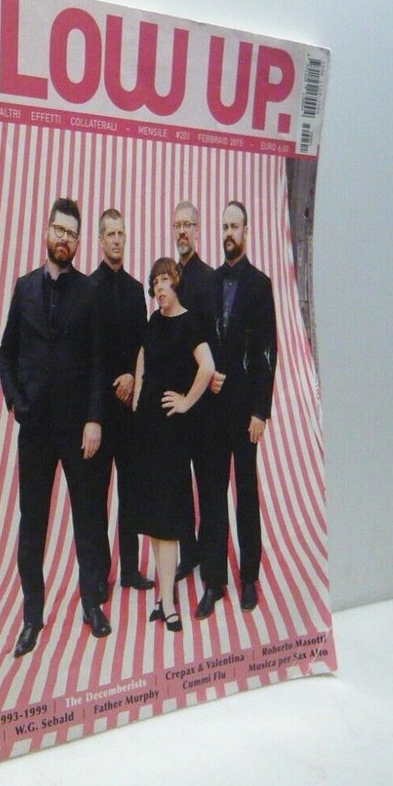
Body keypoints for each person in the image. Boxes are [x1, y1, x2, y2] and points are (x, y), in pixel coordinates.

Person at [0, 197, 110, 658]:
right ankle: (32, 616)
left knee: (88, 519)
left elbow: (100, 361)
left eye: (72, 234)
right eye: (59, 230)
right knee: (32, 524)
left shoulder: (89, 292)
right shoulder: (24, 288)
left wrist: (95, 419)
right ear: (47, 231)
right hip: (36, 430)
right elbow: (6, 353)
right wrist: (15, 401)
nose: (64, 239)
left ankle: (92, 604)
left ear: (79, 242)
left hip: (78, 428)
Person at [194, 201, 278, 618]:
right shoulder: (209, 283)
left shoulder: (261, 285)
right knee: (211, 497)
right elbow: (200, 342)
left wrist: (261, 412)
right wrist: (206, 374)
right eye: (224, 226)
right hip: (212, 412)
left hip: (246, 414)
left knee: (246, 495)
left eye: (235, 226)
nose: (228, 233)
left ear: (246, 231)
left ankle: (248, 579)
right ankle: (214, 582)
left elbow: (267, 353)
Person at [130, 258, 215, 630]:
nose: (159, 287)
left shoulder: (190, 322)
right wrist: (137, 401)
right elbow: (143, 358)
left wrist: (185, 402)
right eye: (155, 282)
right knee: (152, 518)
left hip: (171, 433)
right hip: (146, 428)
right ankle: (163, 596)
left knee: (168, 518)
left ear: (175, 283)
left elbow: (207, 367)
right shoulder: (153, 322)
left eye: (164, 280)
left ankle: (167, 602)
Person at [89, 209, 152, 591]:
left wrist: (132, 377)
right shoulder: (87, 288)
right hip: (99, 412)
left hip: (129, 413)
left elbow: (144, 345)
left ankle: (130, 570)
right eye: (110, 234)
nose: (116, 240)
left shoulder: (134, 289)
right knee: (97, 497)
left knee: (130, 492)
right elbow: (87, 351)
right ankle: (100, 576)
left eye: (121, 233)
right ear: (100, 240)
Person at [170, 200, 220, 582]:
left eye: (189, 224)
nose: (183, 231)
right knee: (179, 485)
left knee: (208, 485)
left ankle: (211, 565)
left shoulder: (210, 279)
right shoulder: (168, 279)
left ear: (198, 231)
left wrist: (218, 372)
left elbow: (218, 335)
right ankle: (188, 554)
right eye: (178, 225)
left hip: (205, 402)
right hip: (176, 401)